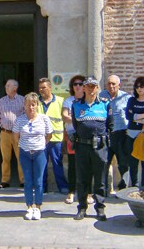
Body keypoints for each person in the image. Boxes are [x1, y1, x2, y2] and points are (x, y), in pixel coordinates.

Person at [71, 77, 112, 221]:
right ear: (83, 88)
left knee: (100, 179)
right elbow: (76, 126)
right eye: (87, 86)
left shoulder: (105, 104)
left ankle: (100, 208)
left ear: (97, 88)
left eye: (93, 86)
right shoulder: (76, 105)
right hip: (82, 146)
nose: (90, 89)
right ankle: (82, 208)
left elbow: (110, 126)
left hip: (100, 147)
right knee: (82, 179)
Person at [13, 92, 52, 220]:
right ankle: (29, 207)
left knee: (39, 181)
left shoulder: (44, 119)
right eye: (28, 105)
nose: (31, 108)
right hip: (25, 153)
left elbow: (49, 135)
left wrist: (40, 145)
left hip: (39, 153)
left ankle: (38, 207)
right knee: (28, 181)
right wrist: (25, 146)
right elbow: (15, 137)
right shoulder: (20, 119)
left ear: (37, 105)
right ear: (24, 106)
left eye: (33, 105)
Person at [99, 75, 131, 192]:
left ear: (119, 85)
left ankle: (124, 189)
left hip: (121, 134)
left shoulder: (127, 98)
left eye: (113, 84)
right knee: (104, 163)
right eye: (109, 84)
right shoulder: (101, 96)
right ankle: (103, 190)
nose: (111, 86)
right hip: (105, 134)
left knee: (123, 163)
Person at [37, 77, 68, 194]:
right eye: (40, 88)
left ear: (50, 88)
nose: (41, 90)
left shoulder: (60, 101)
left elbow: (65, 120)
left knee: (57, 164)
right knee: (41, 165)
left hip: (56, 139)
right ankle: (42, 188)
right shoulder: (36, 102)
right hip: (40, 140)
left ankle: (62, 187)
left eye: (44, 87)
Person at [0, 79, 25, 189]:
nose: (6, 87)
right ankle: (5, 181)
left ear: (15, 88)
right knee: (5, 158)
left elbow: (25, 115)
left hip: (18, 134)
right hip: (5, 133)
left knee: (21, 158)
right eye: (6, 85)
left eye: (8, 85)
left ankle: (23, 181)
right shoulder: (2, 101)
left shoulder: (22, 100)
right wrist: (3, 126)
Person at [62, 75, 86, 204]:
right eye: (75, 84)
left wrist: (74, 117)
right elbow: (65, 117)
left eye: (80, 84)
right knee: (73, 165)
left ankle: (88, 193)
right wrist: (81, 118)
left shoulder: (88, 100)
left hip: (86, 135)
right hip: (72, 135)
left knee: (87, 165)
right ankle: (71, 192)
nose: (77, 86)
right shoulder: (68, 101)